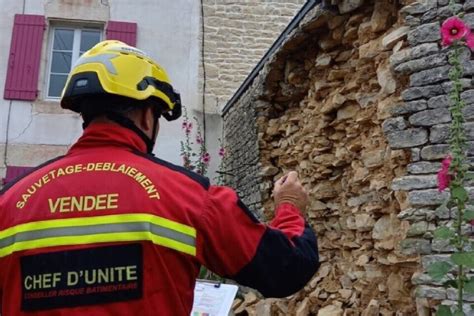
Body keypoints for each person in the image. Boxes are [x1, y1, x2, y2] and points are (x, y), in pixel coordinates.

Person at [0, 40, 319, 315]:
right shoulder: (189, 196)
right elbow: (285, 269)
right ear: (145, 114)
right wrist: (289, 207)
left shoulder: (9, 201)